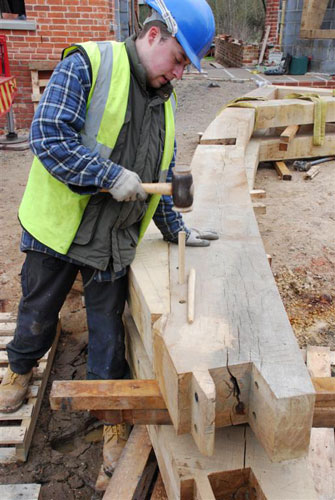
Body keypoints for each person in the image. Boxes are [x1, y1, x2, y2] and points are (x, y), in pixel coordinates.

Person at [0, 0, 217, 487]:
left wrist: (176, 228)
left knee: (107, 340)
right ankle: (18, 370)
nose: (180, 74)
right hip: (58, 231)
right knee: (37, 314)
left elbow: (160, 174)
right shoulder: (88, 64)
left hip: (112, 243)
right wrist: (106, 173)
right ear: (155, 35)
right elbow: (50, 135)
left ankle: (112, 420)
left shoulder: (167, 100)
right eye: (180, 59)